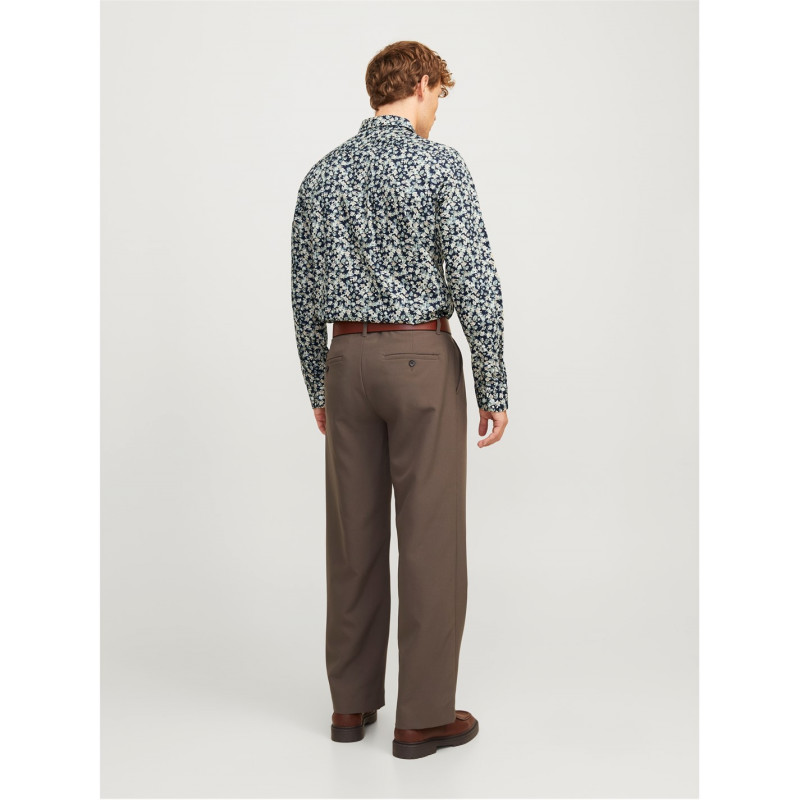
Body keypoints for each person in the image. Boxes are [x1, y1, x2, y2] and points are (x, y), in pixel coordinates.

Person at [290, 40, 509, 759]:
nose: (437, 109)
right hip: (420, 361)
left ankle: (349, 707)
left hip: (346, 360)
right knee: (430, 540)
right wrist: (493, 382)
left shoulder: (322, 175)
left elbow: (303, 293)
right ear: (419, 84)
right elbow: (475, 279)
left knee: (352, 540)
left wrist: (318, 382)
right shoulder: (440, 166)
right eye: (438, 94)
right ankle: (423, 717)